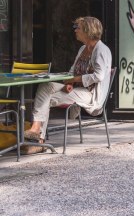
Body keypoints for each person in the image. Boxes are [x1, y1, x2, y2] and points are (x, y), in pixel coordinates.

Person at [22, 17, 112, 151]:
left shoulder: (101, 50)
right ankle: (37, 131)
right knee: (45, 86)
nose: (75, 31)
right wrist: (69, 82)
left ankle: (39, 140)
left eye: (78, 28)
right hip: (77, 89)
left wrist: (74, 80)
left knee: (46, 99)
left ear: (88, 30)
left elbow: (98, 76)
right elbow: (73, 70)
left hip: (90, 94)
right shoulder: (83, 49)